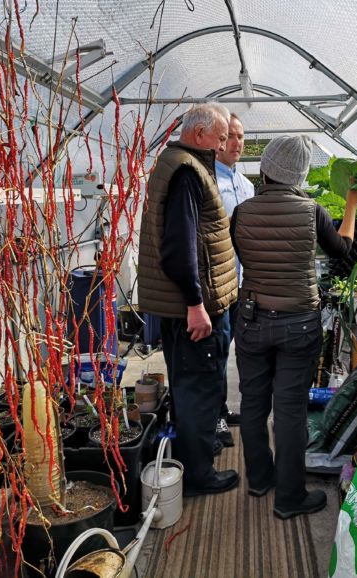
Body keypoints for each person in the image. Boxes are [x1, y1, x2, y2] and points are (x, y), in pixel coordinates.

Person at [230, 135, 357, 519]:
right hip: (298, 324)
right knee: (290, 410)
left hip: (252, 319)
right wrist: (351, 205)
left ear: (266, 170)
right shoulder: (312, 212)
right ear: (300, 175)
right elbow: (342, 249)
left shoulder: (241, 213)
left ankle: (260, 480)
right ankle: (290, 497)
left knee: (254, 402)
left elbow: (244, 256)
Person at [138, 102, 240, 497]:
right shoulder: (187, 172)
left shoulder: (179, 163)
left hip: (185, 307)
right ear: (199, 135)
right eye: (219, 136)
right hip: (194, 310)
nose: (223, 143)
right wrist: (196, 304)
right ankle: (199, 476)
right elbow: (181, 246)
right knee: (200, 389)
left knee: (190, 387)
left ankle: (193, 457)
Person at [214, 112, 255, 447]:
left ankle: (226, 411)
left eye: (240, 136)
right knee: (214, 356)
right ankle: (215, 420)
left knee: (236, 353)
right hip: (217, 286)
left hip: (242, 287)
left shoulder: (247, 185)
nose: (237, 142)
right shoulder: (208, 182)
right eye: (231, 136)